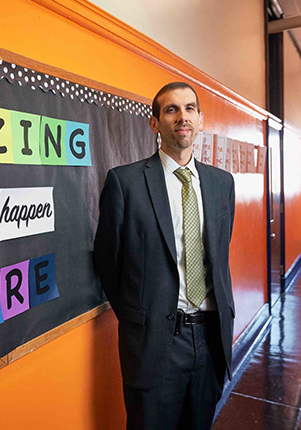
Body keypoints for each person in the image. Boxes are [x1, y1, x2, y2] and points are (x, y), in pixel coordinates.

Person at [94, 82, 235, 430]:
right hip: (156, 343)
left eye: (189, 109)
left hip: (211, 337)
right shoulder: (125, 183)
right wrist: (138, 315)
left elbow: (219, 253)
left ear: (201, 120)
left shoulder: (222, 183)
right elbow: (107, 261)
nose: (181, 117)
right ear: (155, 123)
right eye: (171, 110)